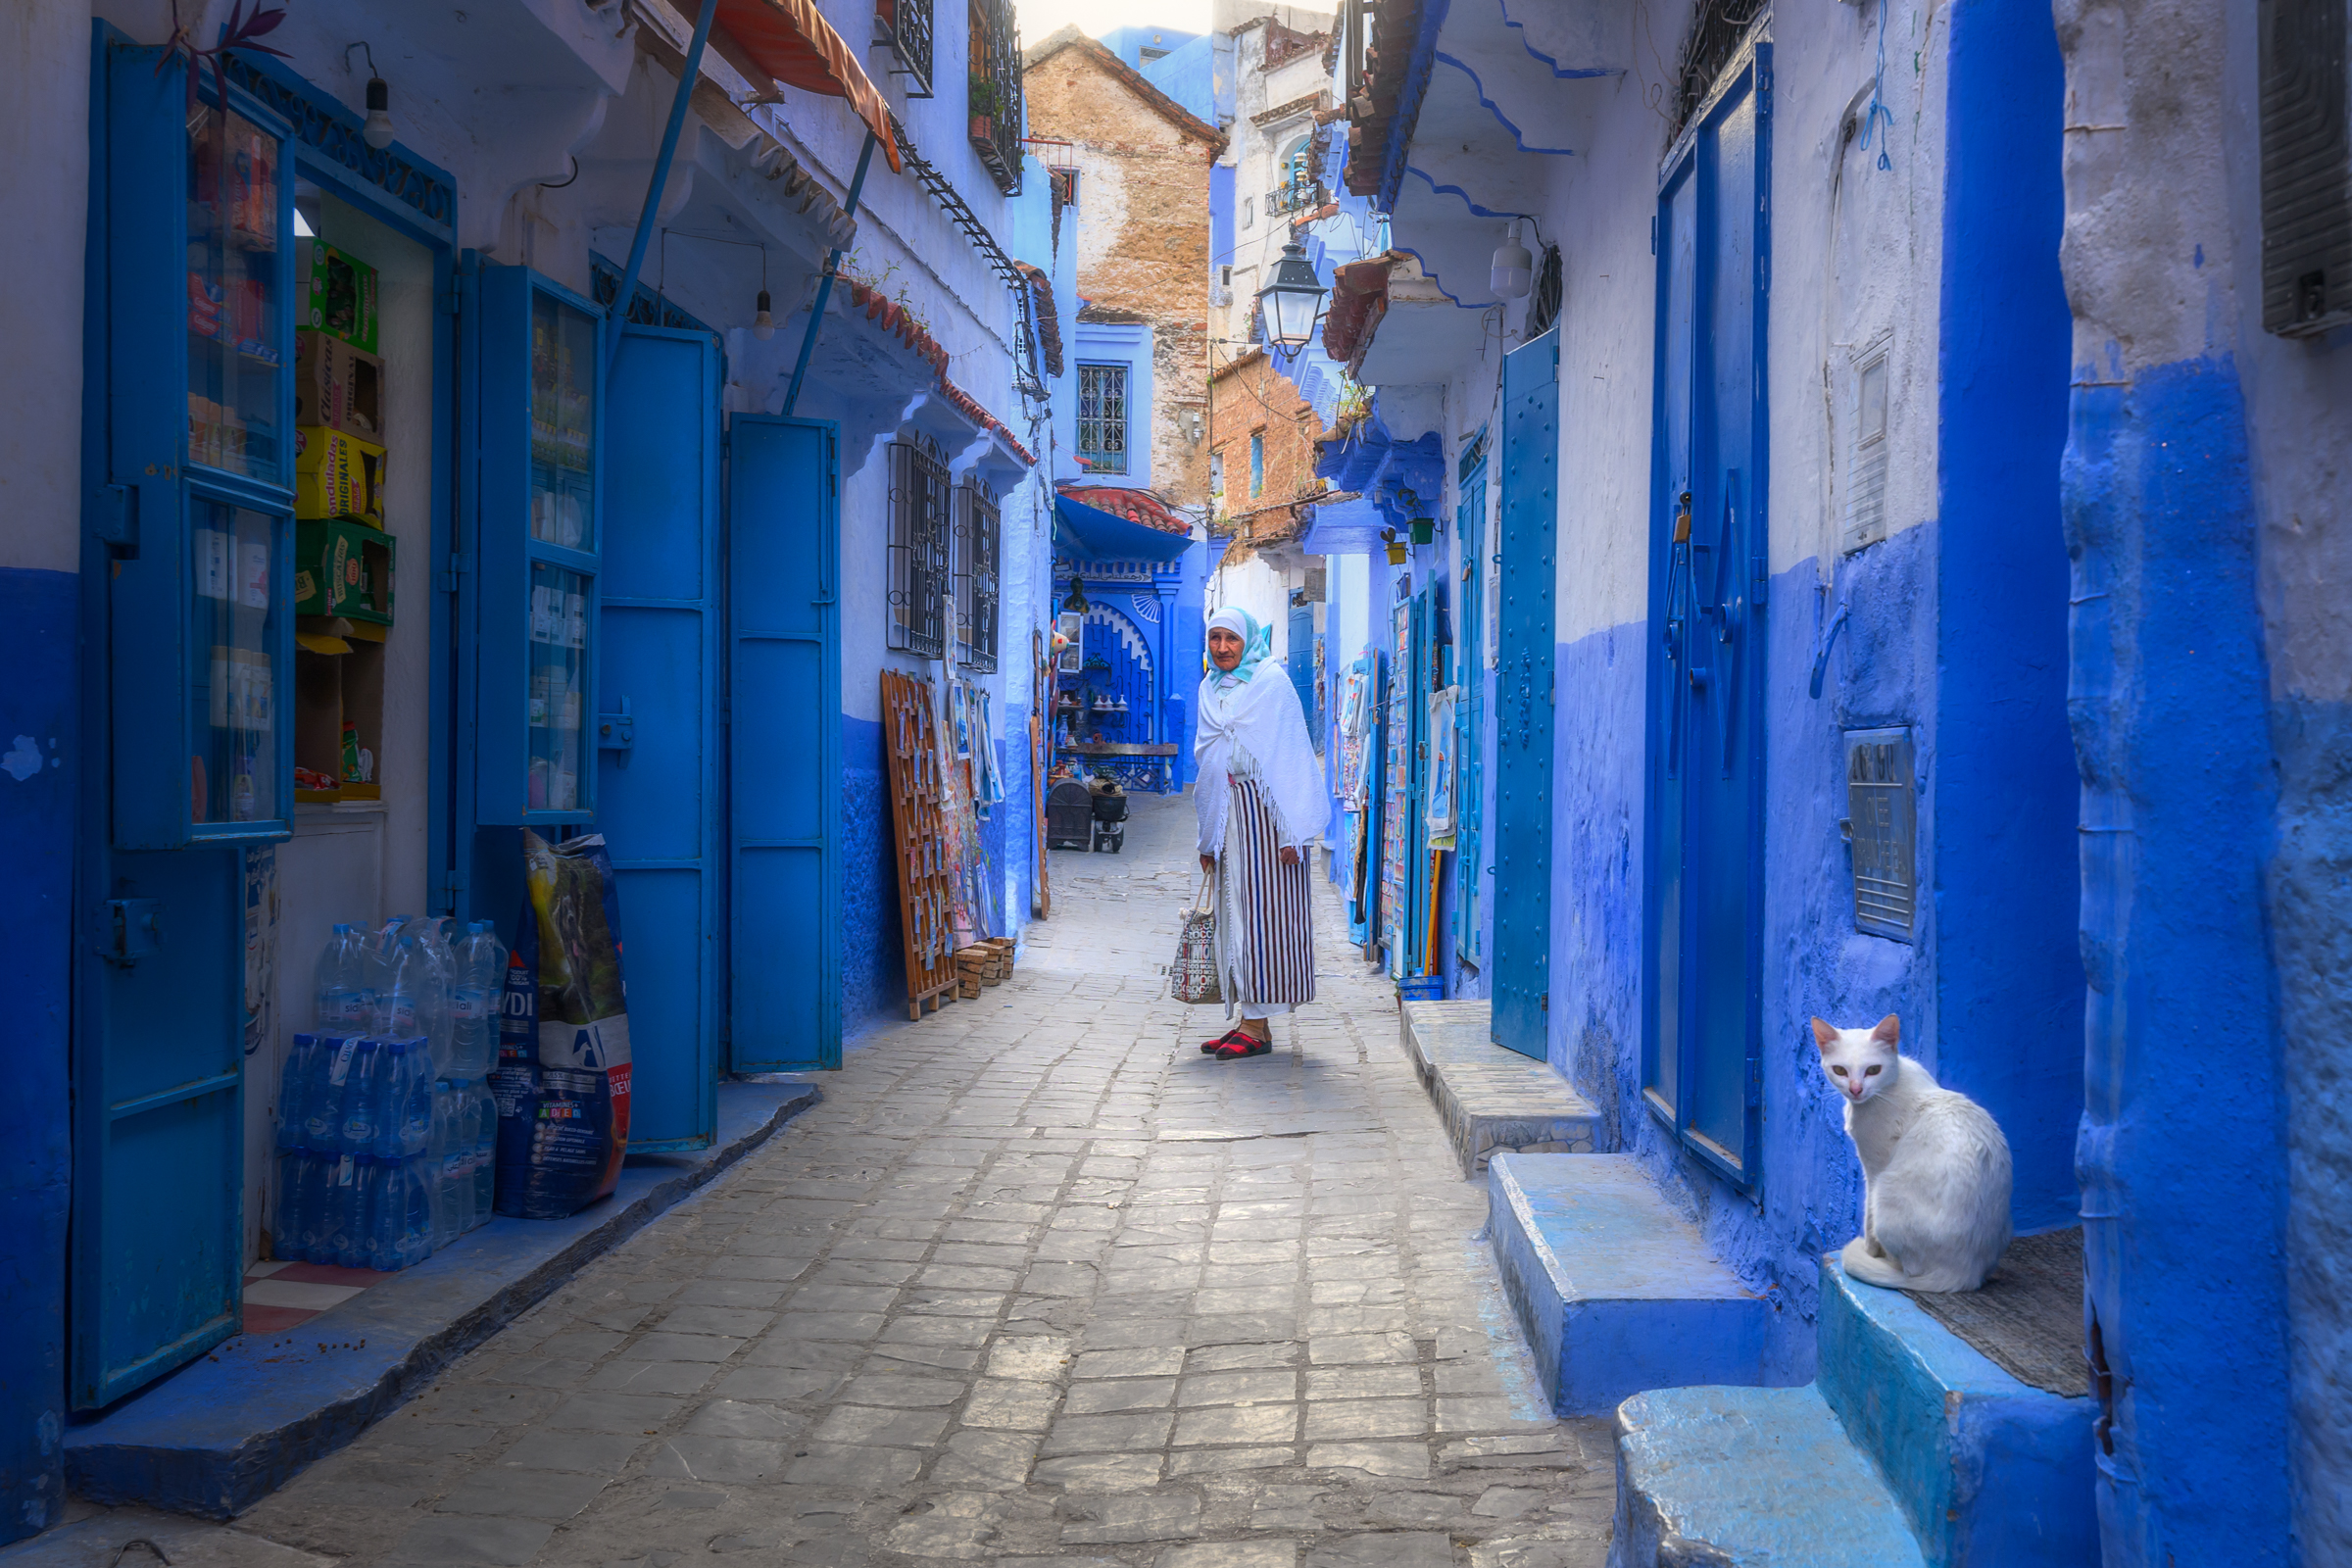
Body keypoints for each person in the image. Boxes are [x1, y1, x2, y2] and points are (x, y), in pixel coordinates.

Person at [1193, 606, 1327, 1060]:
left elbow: (1291, 755)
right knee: (1235, 918)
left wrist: (1294, 831)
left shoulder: (1271, 681)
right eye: (1216, 639)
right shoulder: (1208, 690)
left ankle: (1256, 1021)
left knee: (1265, 920)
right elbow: (1208, 763)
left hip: (1270, 821)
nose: (1223, 648)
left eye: (1231, 639)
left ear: (1247, 640)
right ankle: (1252, 1023)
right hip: (1229, 817)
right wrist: (1208, 837)